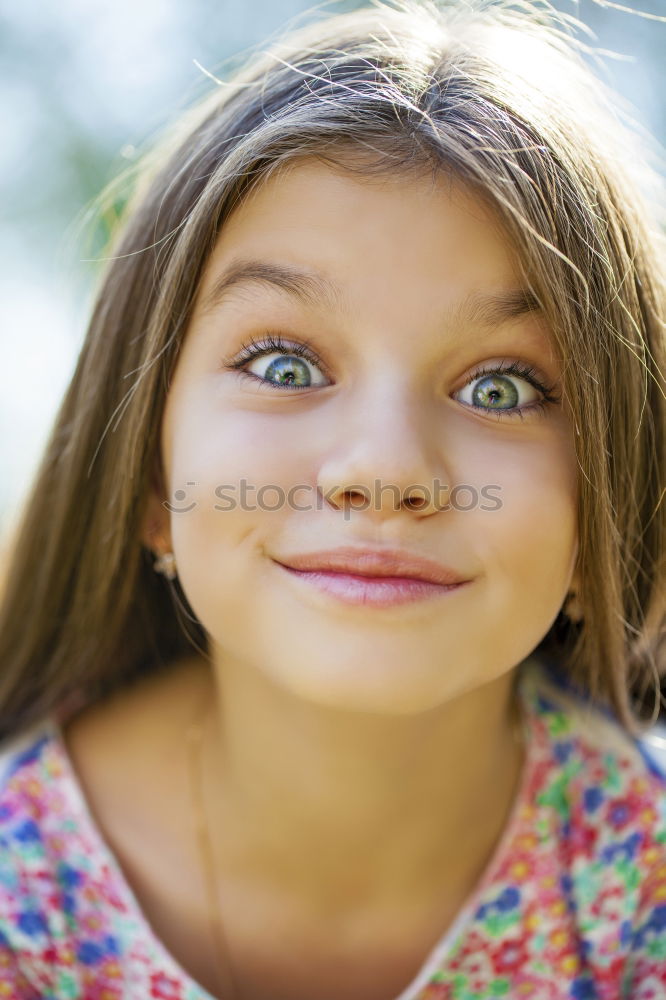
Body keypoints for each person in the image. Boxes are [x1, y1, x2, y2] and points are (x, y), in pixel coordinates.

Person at [0, 0, 664, 997]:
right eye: (282, 364)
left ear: (611, 501)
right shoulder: (22, 899)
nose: (385, 468)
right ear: (148, 475)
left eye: (502, 387)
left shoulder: (638, 888)